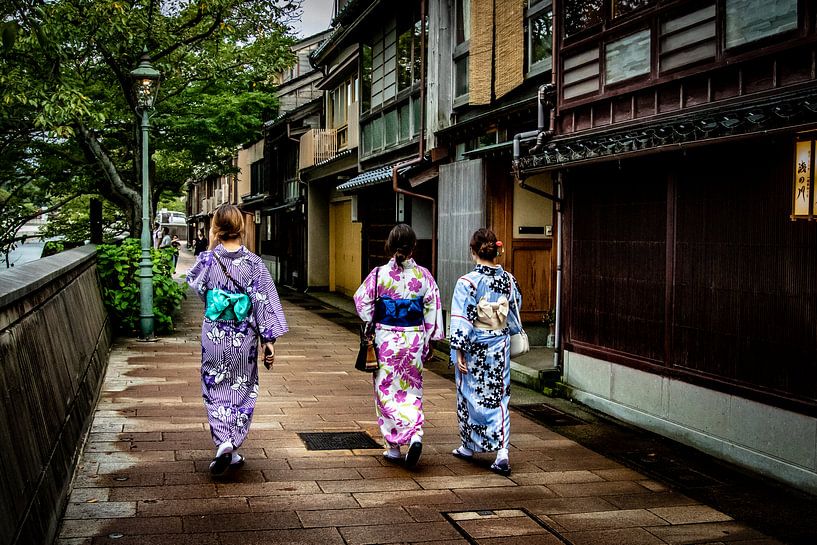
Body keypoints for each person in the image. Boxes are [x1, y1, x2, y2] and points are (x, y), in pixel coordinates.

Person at [186, 204, 288, 476]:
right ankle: (232, 442)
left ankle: (224, 443)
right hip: (244, 336)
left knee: (214, 386)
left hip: (215, 333)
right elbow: (263, 302)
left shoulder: (207, 260)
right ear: (241, 227)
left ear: (216, 228)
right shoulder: (255, 264)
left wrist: (211, 247)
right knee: (242, 387)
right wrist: (269, 340)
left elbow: (198, 289)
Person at [353, 224, 443, 467]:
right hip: (413, 339)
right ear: (414, 246)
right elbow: (432, 308)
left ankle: (393, 447)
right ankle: (414, 434)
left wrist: (374, 321)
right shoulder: (424, 276)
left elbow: (362, 304)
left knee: (386, 392)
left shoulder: (379, 274)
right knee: (411, 391)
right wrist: (430, 339)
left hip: (386, 340)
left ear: (390, 246)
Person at [449, 228, 522, 477]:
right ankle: (495, 450)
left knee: (468, 395)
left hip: (474, 346)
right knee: (499, 396)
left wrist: (458, 350)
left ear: (473, 252)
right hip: (498, 345)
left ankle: (474, 446)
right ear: (496, 250)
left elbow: (461, 317)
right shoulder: (508, 280)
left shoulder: (467, 282)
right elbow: (515, 308)